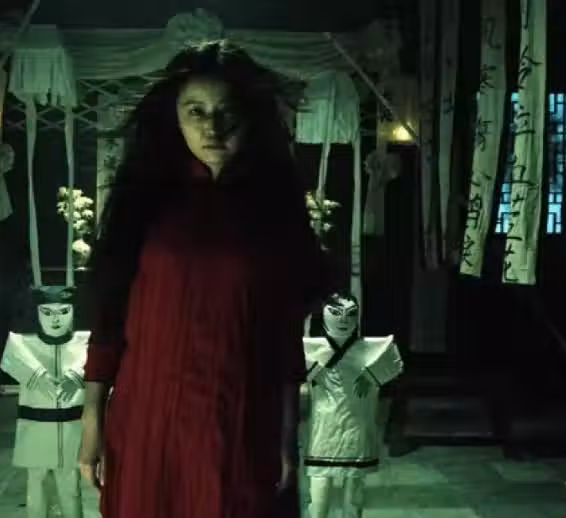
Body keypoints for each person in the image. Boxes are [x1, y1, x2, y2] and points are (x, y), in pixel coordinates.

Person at [77, 40, 332, 518]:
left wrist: (287, 437)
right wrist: (92, 421)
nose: (211, 127)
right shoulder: (143, 201)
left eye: (226, 111)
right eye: (195, 111)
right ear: (173, 117)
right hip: (148, 420)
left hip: (237, 419)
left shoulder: (275, 212)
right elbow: (109, 320)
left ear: (251, 117)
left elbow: (284, 338)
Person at [302, 292, 403, 518]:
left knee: (354, 495)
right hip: (324, 430)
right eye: (336, 313)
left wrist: (372, 375)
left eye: (350, 314)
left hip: (356, 428)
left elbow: (394, 359)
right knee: (319, 497)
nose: (343, 320)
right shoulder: (313, 348)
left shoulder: (368, 348)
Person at [0, 286, 89, 518]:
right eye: (47, 312)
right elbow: (12, 355)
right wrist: (37, 375)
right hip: (35, 424)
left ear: (73, 312)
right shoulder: (24, 342)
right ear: (37, 313)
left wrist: (77, 374)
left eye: (63, 311)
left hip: (70, 426)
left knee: (69, 482)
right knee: (36, 480)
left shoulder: (83, 341)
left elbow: (95, 355)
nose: (55, 319)